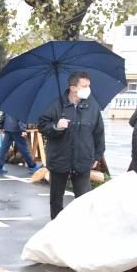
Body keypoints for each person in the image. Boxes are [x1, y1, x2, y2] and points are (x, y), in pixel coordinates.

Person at [38, 71, 106, 219]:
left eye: (89, 85)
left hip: (82, 159)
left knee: (84, 199)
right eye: (84, 86)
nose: (88, 89)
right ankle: (56, 226)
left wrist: (97, 155)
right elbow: (42, 125)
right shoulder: (56, 105)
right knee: (56, 199)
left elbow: (99, 132)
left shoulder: (92, 106)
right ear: (73, 88)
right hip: (59, 158)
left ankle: (82, 228)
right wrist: (56, 126)